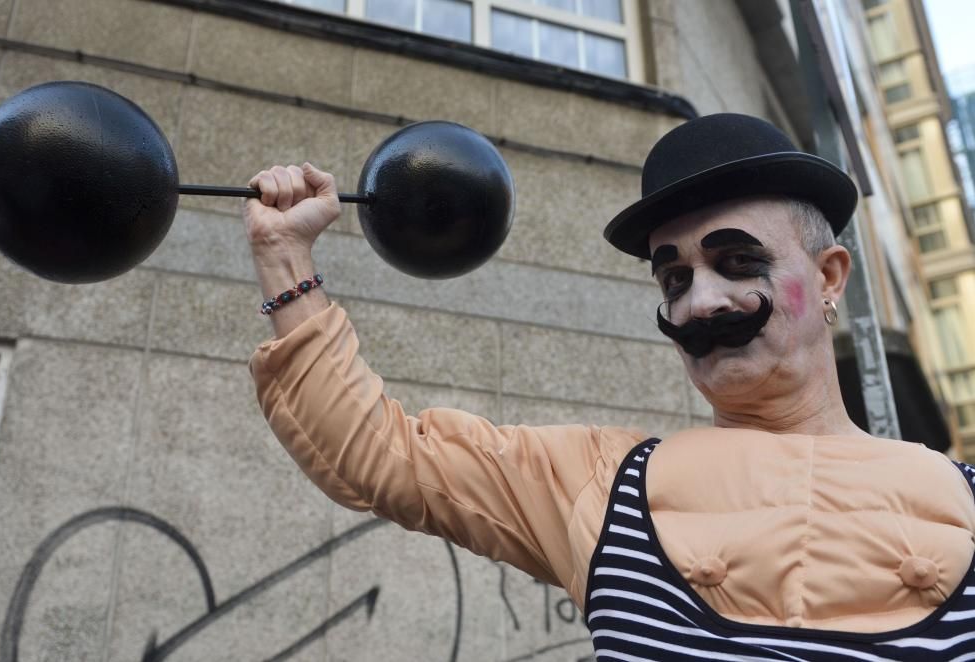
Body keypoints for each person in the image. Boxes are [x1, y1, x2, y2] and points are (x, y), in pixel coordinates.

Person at [244, 113, 975, 660]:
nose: (699, 304)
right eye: (675, 277)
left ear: (828, 278)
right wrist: (285, 257)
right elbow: (380, 452)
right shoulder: (598, 483)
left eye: (739, 262)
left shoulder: (967, 499)